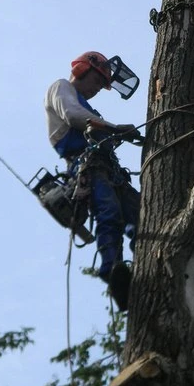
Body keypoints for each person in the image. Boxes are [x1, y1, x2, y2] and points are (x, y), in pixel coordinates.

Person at [44, 51, 141, 311]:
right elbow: (73, 115)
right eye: (97, 81)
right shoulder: (61, 88)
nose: (98, 89)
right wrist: (114, 127)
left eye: (102, 85)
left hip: (111, 170)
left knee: (142, 215)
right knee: (109, 214)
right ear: (81, 70)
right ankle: (112, 270)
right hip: (88, 167)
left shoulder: (91, 109)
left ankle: (143, 269)